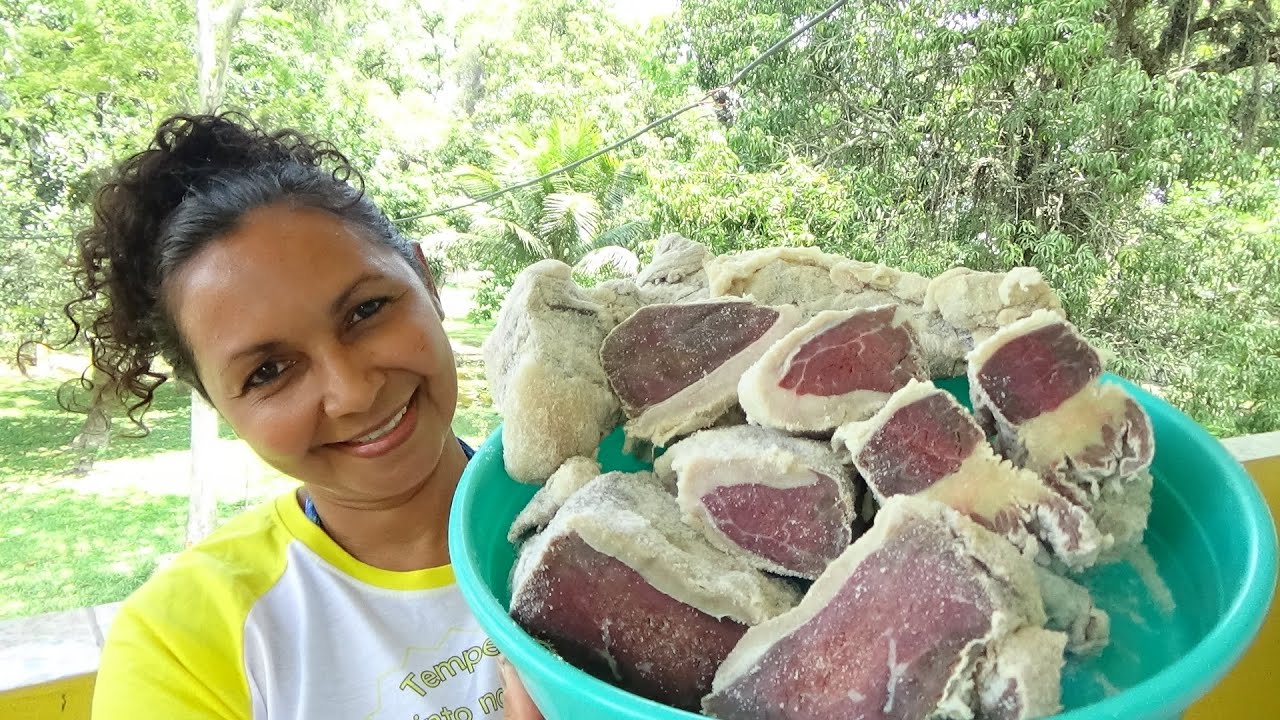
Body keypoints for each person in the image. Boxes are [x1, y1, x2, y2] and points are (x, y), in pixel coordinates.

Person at [67, 112, 544, 720]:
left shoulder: (622, 500)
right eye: (268, 372)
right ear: (218, 403)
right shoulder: (182, 643)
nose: (351, 392)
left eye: (367, 310)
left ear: (425, 279)